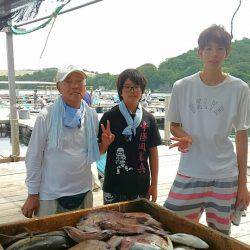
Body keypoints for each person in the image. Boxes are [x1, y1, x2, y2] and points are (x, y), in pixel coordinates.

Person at [164, 25, 250, 235]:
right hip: (190, 171)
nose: (214, 54)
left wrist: (242, 185)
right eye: (208, 48)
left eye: (220, 48)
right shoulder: (182, 86)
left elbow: (241, 135)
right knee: (172, 228)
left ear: (227, 52)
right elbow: (174, 124)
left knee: (219, 235)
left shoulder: (239, 89)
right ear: (199, 52)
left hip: (225, 175)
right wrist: (184, 136)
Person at [22, 67, 113, 218]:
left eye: (79, 81)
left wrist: (104, 144)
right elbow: (34, 156)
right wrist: (32, 194)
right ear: (59, 87)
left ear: (85, 86)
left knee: (82, 239)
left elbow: (92, 154)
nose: (75, 86)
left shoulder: (91, 115)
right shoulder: (46, 116)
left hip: (83, 191)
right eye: (68, 81)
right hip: (51, 194)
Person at [98, 69, 162, 205]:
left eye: (136, 87)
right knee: (111, 224)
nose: (132, 90)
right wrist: (104, 143)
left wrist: (154, 185)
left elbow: (153, 153)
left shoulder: (149, 119)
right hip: (113, 185)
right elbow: (99, 152)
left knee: (138, 224)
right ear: (120, 91)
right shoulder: (109, 117)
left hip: (141, 185)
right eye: (127, 87)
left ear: (142, 91)